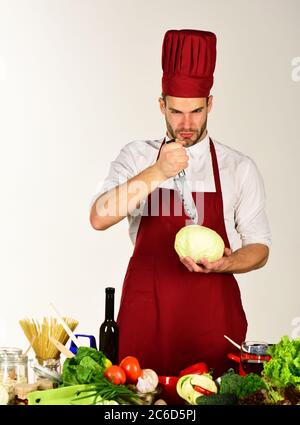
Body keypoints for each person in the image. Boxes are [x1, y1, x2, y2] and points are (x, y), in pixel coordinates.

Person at [89, 29, 271, 378]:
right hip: (147, 323)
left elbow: (260, 247)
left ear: (210, 105)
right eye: (175, 111)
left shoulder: (238, 167)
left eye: (196, 111)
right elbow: (99, 216)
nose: (186, 124)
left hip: (213, 327)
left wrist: (226, 263)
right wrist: (157, 171)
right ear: (161, 105)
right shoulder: (138, 156)